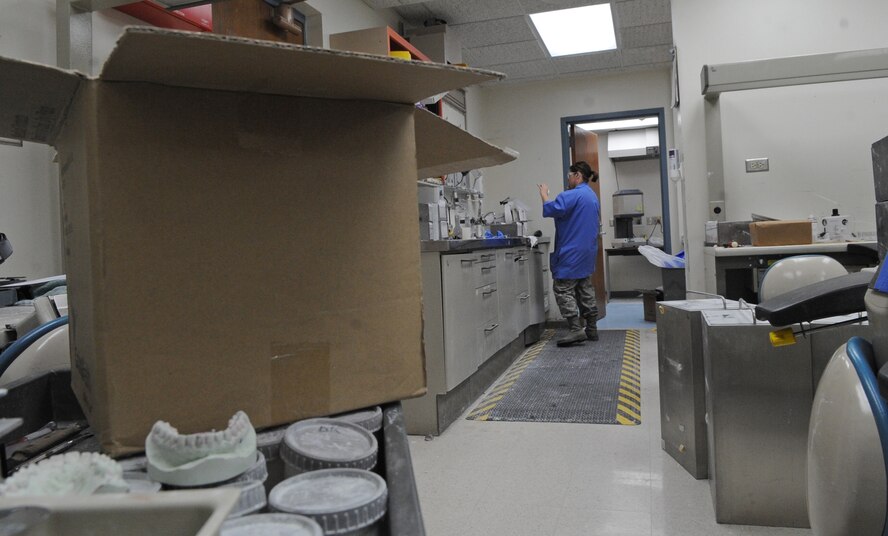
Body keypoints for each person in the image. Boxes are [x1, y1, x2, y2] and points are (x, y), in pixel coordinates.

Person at [537, 161, 601, 347]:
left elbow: (551, 209)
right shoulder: (591, 196)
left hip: (571, 251)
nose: (568, 180)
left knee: (563, 288)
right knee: (584, 287)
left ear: (578, 175)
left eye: (569, 176)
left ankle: (575, 329)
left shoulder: (573, 195)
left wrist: (544, 194)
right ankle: (591, 328)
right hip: (587, 251)